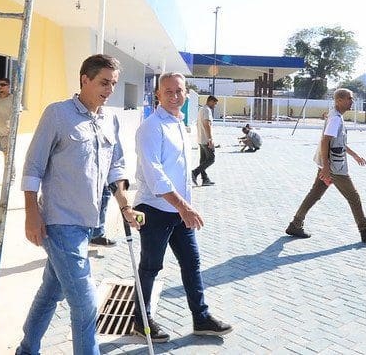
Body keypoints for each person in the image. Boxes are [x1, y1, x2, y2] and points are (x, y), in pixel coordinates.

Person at [15, 54, 143, 355]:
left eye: (113, 83)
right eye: (103, 82)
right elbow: (33, 168)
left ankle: (26, 349)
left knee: (51, 291)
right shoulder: (57, 114)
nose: (109, 89)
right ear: (84, 79)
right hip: (60, 222)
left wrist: (125, 205)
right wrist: (31, 214)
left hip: (89, 224)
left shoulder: (109, 119)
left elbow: (116, 167)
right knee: (85, 305)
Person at [133, 73, 232, 342]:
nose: (174, 96)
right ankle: (140, 321)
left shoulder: (179, 123)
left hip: (178, 210)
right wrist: (185, 207)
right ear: (158, 94)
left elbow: (179, 171)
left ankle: (201, 318)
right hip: (154, 209)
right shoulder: (151, 127)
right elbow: (155, 175)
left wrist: (184, 207)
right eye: (168, 91)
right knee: (151, 266)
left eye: (179, 91)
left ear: (186, 95)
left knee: (192, 263)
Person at [285, 88, 366, 242]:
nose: (351, 101)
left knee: (314, 194)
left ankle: (295, 224)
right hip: (335, 167)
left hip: (330, 164)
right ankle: (365, 230)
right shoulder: (335, 119)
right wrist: (326, 168)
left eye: (352, 99)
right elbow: (325, 141)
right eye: (349, 98)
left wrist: (354, 156)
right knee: (353, 197)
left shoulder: (336, 116)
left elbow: (338, 142)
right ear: (339, 100)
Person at [191, 95, 217, 186]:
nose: (215, 105)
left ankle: (205, 179)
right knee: (211, 159)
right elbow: (207, 124)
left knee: (203, 160)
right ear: (210, 101)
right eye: (214, 103)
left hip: (201, 139)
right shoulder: (207, 110)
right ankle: (194, 173)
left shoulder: (201, 109)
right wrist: (210, 139)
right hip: (206, 140)